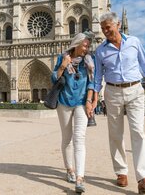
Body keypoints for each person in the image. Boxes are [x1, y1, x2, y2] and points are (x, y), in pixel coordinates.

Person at [94, 12, 145, 194]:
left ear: (118, 25)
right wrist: (93, 97)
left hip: (135, 89)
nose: (105, 31)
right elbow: (97, 77)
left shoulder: (134, 42)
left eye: (107, 27)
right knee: (115, 134)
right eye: (102, 29)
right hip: (112, 91)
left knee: (138, 132)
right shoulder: (100, 50)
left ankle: (143, 177)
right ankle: (121, 171)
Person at [51, 32, 96, 193]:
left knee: (79, 138)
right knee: (67, 138)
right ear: (76, 44)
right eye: (85, 45)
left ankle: (80, 178)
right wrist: (63, 65)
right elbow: (54, 78)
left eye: (88, 46)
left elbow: (92, 82)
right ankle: (69, 169)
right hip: (64, 102)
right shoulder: (62, 57)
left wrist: (90, 101)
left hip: (82, 103)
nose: (87, 48)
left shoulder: (89, 61)